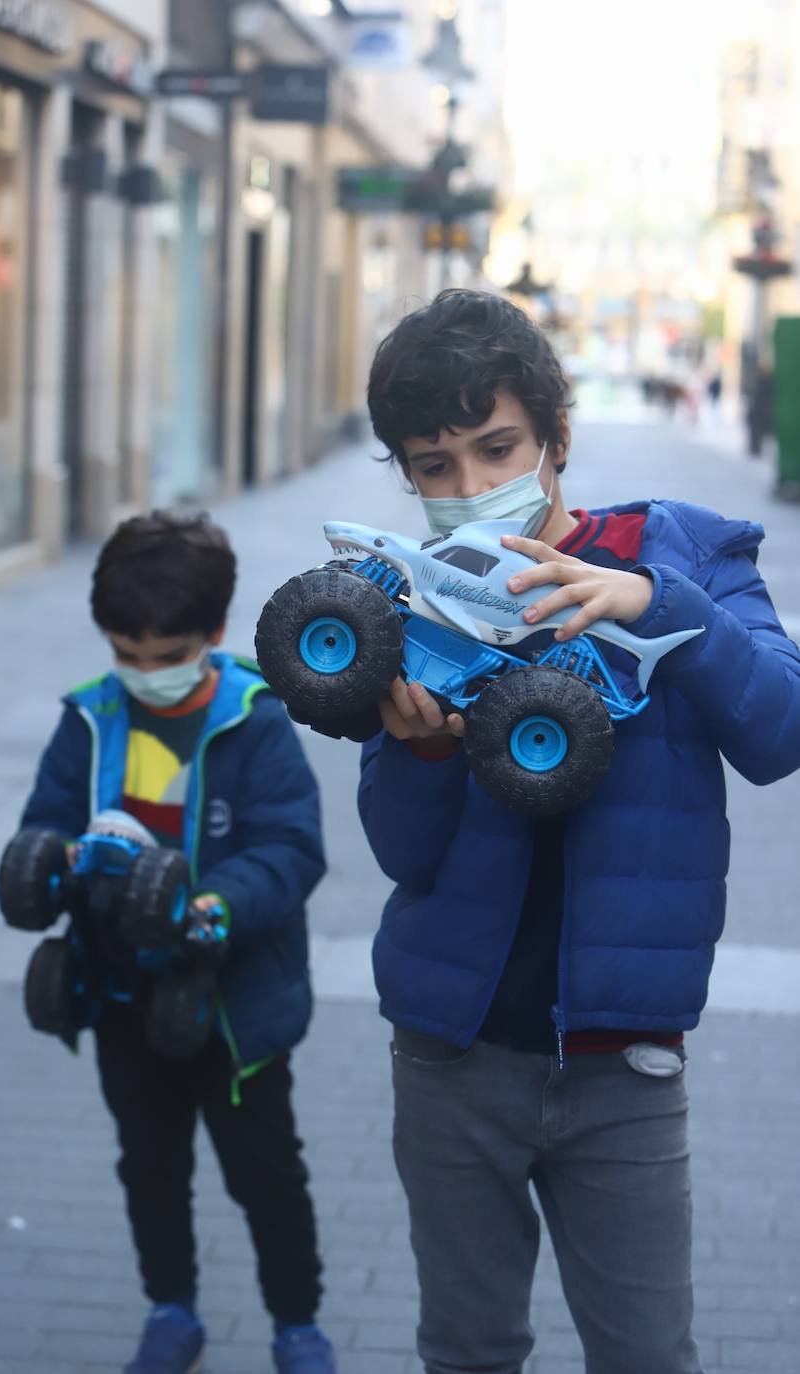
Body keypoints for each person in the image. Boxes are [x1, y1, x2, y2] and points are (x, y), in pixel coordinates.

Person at [355, 288, 800, 1374]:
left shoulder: (682, 551)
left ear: (555, 436)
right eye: (433, 465)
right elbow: (402, 856)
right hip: (452, 1057)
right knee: (465, 1348)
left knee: (648, 1354)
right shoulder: (412, 599)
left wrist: (653, 605)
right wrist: (417, 751)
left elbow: (779, 727)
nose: (468, 488)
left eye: (495, 447)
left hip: (623, 1068)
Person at [18, 512, 336, 1374]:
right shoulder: (88, 722)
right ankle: (172, 1309)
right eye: (126, 652)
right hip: (123, 997)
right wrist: (63, 864)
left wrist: (215, 906)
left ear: (214, 636)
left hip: (235, 1011)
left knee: (265, 1174)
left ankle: (297, 1324)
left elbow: (291, 849)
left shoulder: (253, 721)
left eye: (166, 656)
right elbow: (44, 827)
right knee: (149, 1169)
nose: (144, 674)